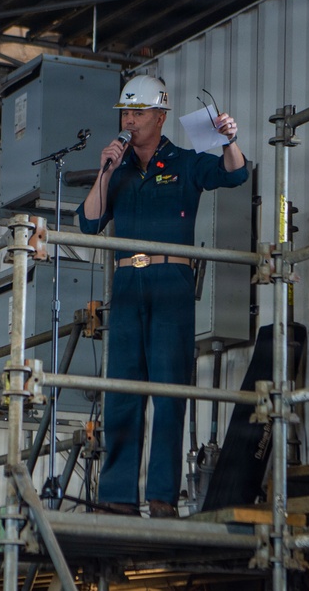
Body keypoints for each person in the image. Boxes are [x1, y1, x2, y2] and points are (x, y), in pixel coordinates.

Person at [77, 75, 248, 517]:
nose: (129, 121)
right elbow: (89, 222)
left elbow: (235, 174)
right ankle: (116, 496)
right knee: (122, 391)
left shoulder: (187, 162)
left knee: (169, 392)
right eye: (125, 113)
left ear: (160, 116)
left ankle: (161, 497)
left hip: (170, 284)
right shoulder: (118, 170)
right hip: (128, 286)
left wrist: (230, 139)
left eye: (138, 113)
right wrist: (105, 171)